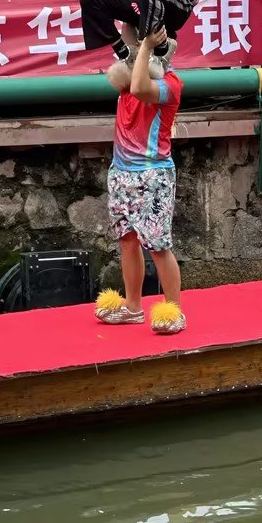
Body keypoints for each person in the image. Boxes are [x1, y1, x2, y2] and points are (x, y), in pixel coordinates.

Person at [94, 33, 186, 335]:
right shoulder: (126, 78)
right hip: (121, 171)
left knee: (158, 245)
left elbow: (139, 86)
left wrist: (147, 46)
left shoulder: (168, 85)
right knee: (127, 240)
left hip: (153, 175)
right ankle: (133, 307)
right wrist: (130, 33)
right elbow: (122, 73)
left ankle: (173, 310)